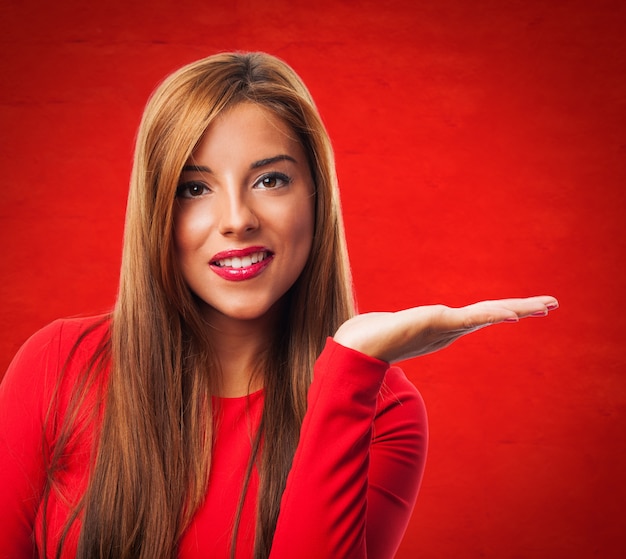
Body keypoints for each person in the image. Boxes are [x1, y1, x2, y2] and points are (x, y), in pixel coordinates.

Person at [0, 51, 558, 559]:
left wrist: (350, 368)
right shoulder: (56, 367)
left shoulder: (382, 410)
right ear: (156, 213)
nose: (237, 218)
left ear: (317, 198)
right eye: (195, 188)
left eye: (270, 180)